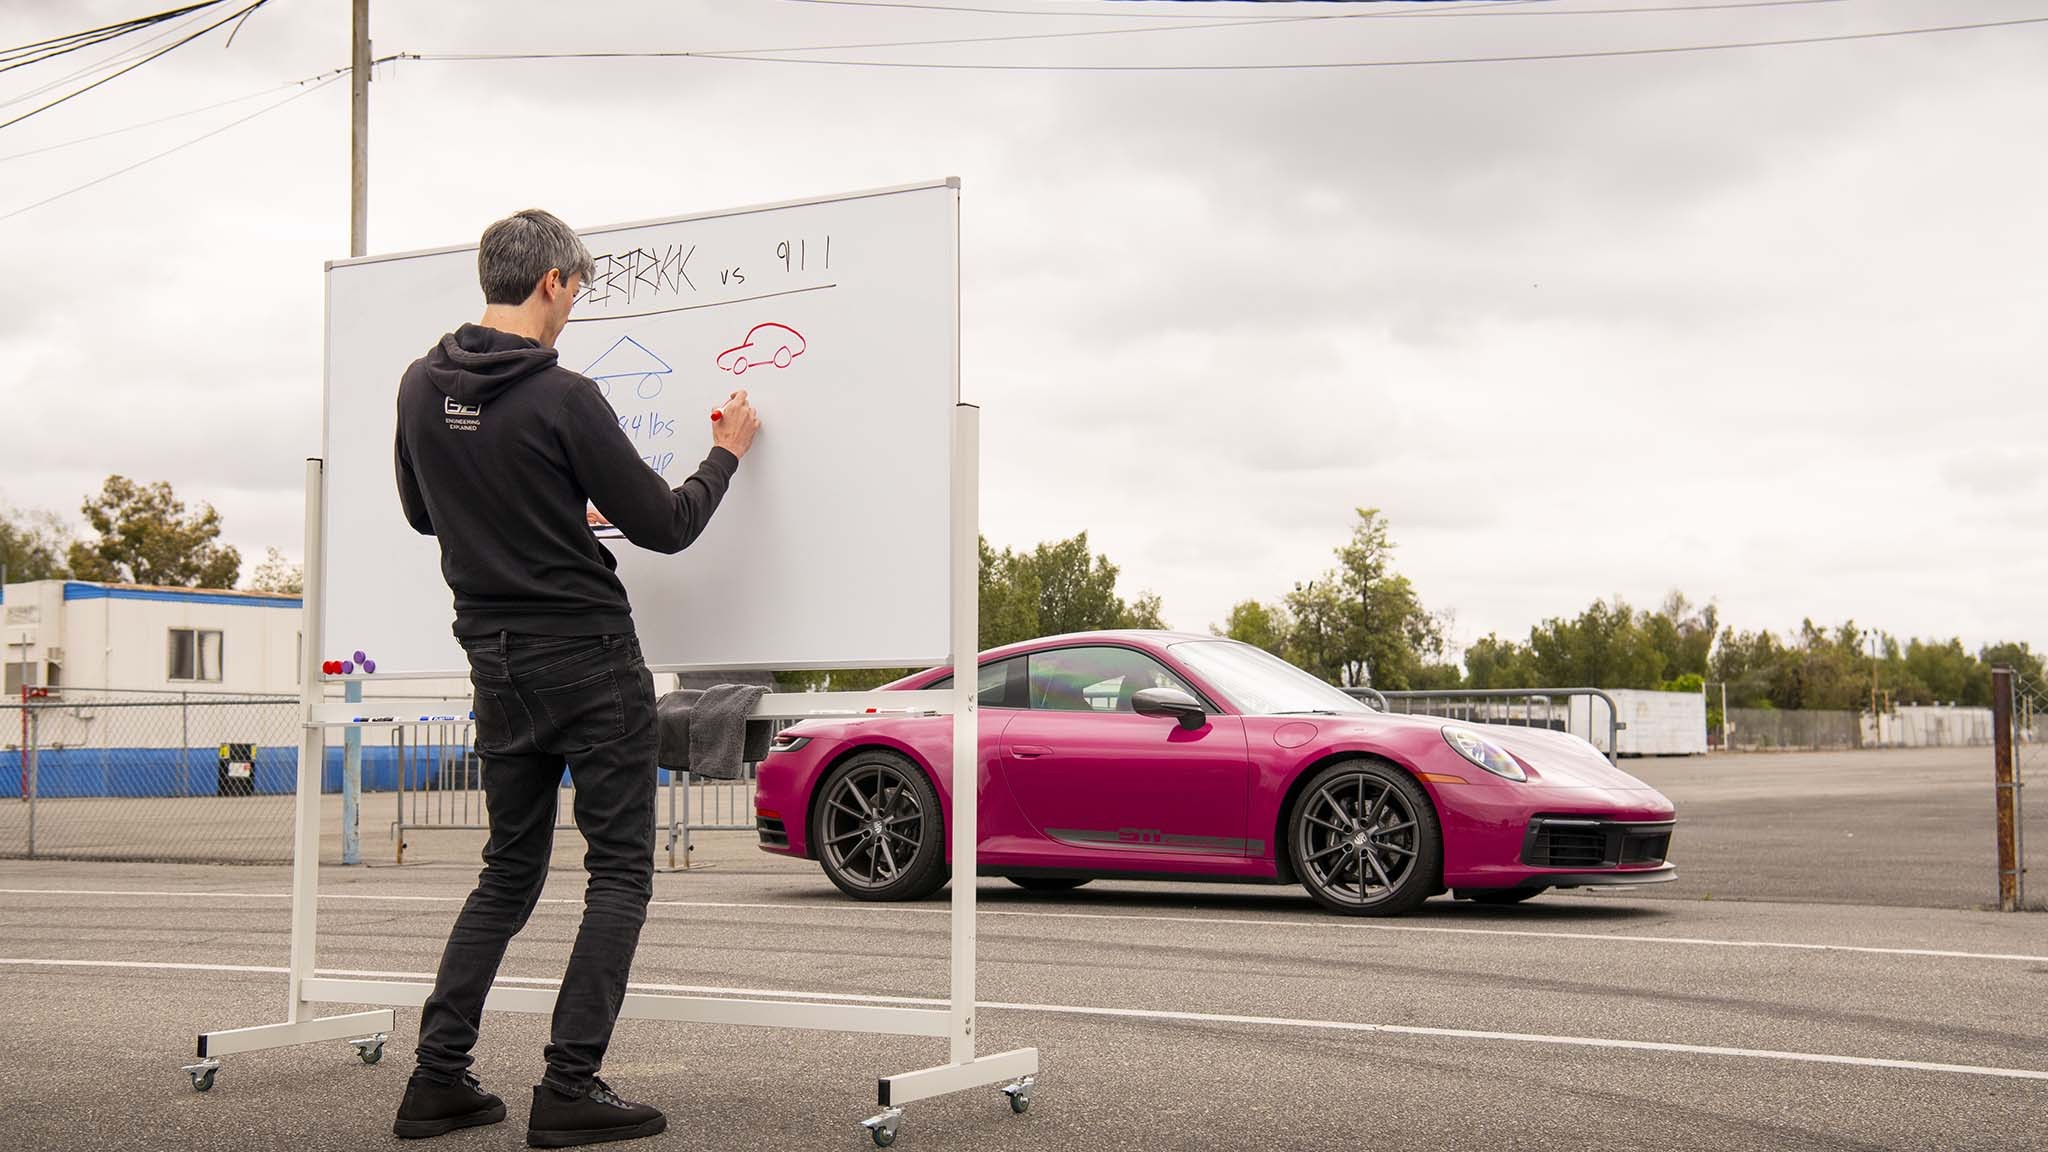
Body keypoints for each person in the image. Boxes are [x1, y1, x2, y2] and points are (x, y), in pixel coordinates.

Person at [388, 208, 761, 1147]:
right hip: (589, 661)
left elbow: (422, 515)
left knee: (507, 873)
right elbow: (667, 525)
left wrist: (522, 507)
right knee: (619, 874)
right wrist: (727, 452)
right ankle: (569, 1088)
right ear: (553, 280)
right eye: (577, 292)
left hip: (495, 657)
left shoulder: (418, 385)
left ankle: (438, 1081)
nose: (574, 312)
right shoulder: (564, 396)